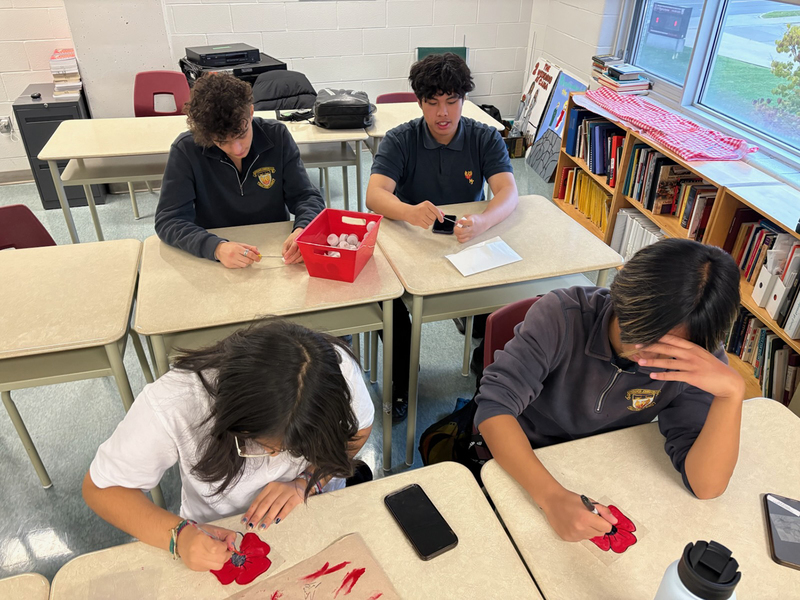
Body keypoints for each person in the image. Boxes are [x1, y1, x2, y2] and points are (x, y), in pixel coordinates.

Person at [475, 239, 744, 543]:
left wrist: (731, 394)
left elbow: (706, 486)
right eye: (645, 338)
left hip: (605, 467)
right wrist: (551, 497)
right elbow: (495, 407)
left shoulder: (697, 358)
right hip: (526, 456)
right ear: (623, 298)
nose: (650, 360)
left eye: (671, 351)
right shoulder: (561, 315)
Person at [82, 320, 373, 572]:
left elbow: (360, 428)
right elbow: (102, 488)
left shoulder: (334, 370)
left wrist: (307, 479)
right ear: (232, 420)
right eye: (265, 447)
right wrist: (179, 537)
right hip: (219, 538)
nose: (278, 459)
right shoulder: (175, 402)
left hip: (317, 513)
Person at [366, 52, 519, 421]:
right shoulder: (401, 139)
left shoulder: (484, 137)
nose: (443, 113)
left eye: (452, 101)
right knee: (395, 313)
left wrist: (484, 221)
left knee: (504, 302)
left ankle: (485, 367)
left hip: (465, 241)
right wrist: (408, 211)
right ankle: (401, 385)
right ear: (419, 102)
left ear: (464, 100)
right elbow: (374, 195)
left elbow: (508, 192)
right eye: (432, 103)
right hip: (412, 244)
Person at [154, 72, 324, 269]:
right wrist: (216, 247)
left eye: (242, 134)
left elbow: (306, 196)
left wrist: (304, 228)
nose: (237, 149)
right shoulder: (186, 150)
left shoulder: (277, 137)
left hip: (274, 253)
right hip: (217, 257)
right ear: (206, 135)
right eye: (221, 141)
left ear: (251, 112)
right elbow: (169, 220)